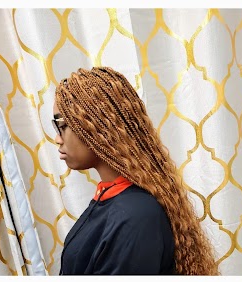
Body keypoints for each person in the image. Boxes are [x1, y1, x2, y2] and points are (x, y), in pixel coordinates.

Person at [53, 67, 217, 275]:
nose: (57, 139)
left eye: (61, 125)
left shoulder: (135, 217)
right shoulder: (112, 199)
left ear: (95, 125)